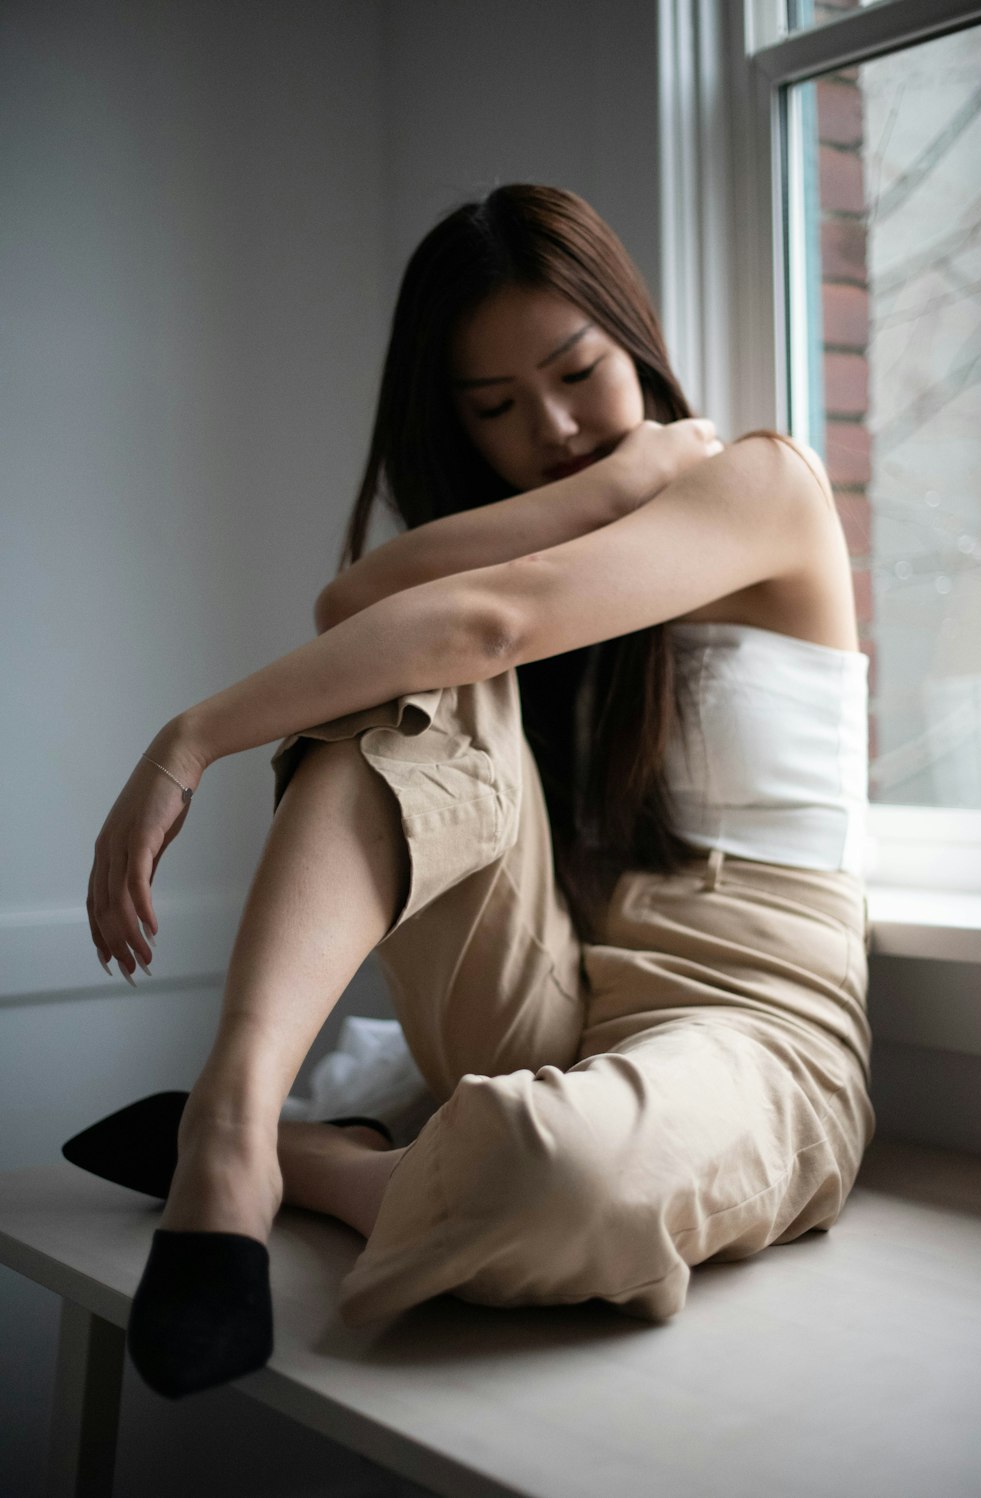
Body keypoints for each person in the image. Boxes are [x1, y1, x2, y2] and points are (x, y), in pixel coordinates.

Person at [77, 183, 875, 1400]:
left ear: (636, 339)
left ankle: (323, 1161)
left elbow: (492, 612)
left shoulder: (768, 484)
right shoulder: (575, 516)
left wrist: (191, 739)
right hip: (550, 985)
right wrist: (612, 484)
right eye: (497, 407)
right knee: (411, 669)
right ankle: (230, 1131)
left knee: (569, 1182)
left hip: (757, 1025)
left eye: (579, 372)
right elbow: (359, 609)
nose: (552, 428)